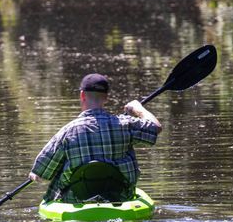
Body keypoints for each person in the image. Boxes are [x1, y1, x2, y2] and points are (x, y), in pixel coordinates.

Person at [29, 73, 162, 202]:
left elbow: (40, 174)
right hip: (120, 199)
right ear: (106, 97)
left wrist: (37, 174)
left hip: (76, 203)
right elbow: (156, 128)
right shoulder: (126, 124)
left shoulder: (67, 131)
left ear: (82, 95)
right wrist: (138, 109)